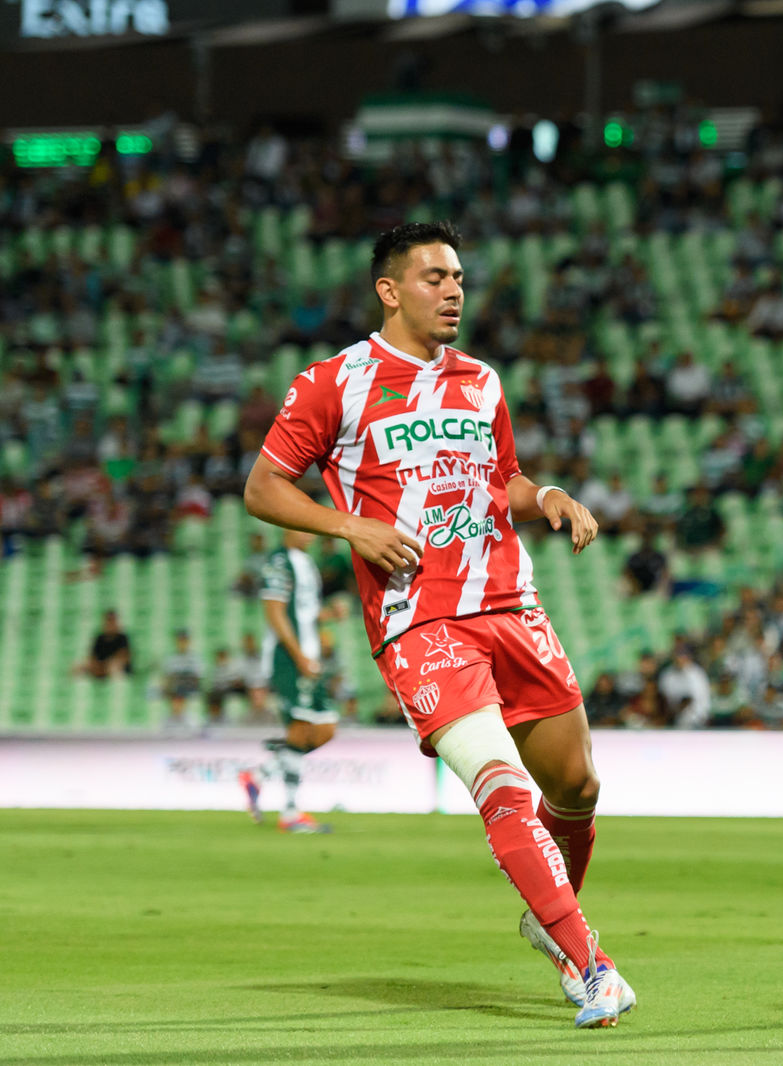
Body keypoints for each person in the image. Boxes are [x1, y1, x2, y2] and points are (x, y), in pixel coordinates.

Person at [242, 221, 632, 1028]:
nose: (454, 290)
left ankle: (550, 918)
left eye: (458, 276)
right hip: (418, 620)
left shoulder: (482, 382)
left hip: (511, 604)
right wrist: (351, 528)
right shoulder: (334, 382)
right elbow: (264, 487)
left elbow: (505, 480)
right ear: (389, 290)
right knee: (502, 789)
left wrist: (548, 498)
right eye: (433, 277)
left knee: (578, 787)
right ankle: (590, 965)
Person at [238, 530, 341, 834]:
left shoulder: (307, 563)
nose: (308, 531)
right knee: (300, 727)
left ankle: (259, 775)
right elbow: (275, 612)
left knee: (325, 728)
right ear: (287, 528)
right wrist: (298, 656)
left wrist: (329, 614)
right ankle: (291, 812)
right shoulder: (279, 562)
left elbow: (305, 613)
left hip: (307, 657)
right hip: (289, 658)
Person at [160, 630, 204, 729]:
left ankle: (180, 712)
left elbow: (197, 679)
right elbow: (167, 678)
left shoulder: (195, 659)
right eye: (180, 640)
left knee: (179, 685)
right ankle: (175, 712)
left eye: (184, 640)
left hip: (189, 688)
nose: (182, 643)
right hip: (175, 688)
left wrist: (182, 680)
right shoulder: (171, 659)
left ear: (188, 642)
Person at [80, 609, 131, 679]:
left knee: (114, 667)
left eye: (112, 620)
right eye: (108, 620)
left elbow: (124, 657)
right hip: (101, 668)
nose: (110, 623)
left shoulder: (122, 638)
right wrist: (99, 666)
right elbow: (92, 657)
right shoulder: (99, 638)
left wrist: (107, 665)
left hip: (118, 670)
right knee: (80, 667)